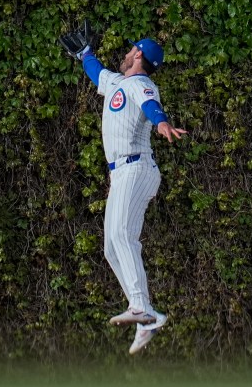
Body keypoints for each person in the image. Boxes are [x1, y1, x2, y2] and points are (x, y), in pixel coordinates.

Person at [72, 36, 187, 354]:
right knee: (111, 247)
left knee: (123, 236)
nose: (124, 53)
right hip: (120, 174)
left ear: (138, 54)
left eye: (129, 49)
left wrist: (162, 123)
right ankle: (146, 318)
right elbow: (98, 73)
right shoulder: (117, 82)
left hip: (137, 168)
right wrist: (85, 55)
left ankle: (140, 306)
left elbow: (152, 107)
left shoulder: (141, 84)